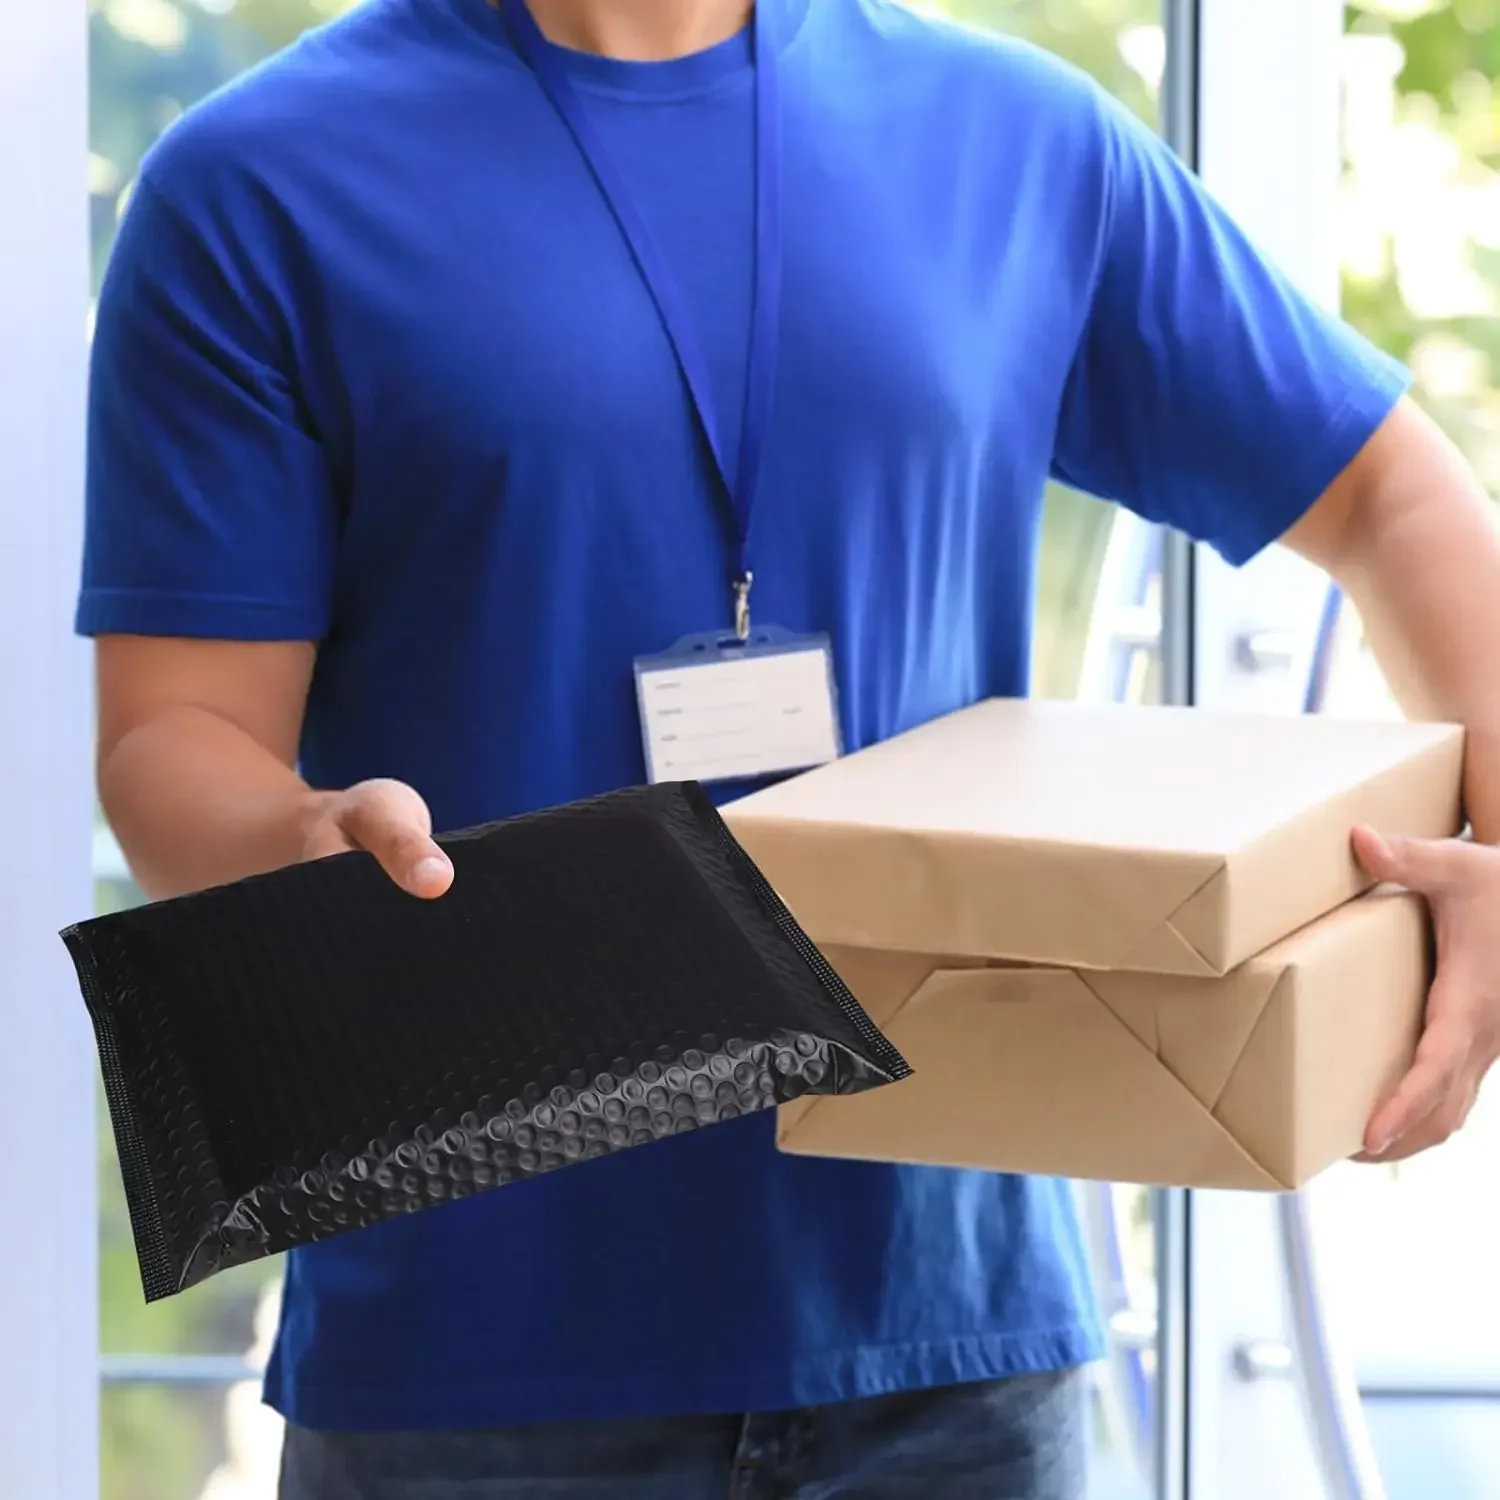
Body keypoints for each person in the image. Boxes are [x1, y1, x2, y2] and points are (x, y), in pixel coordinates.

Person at [82, 0, 1500, 1495]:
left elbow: (1398, 500)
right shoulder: (256, 182)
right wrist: (301, 846)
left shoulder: (1022, 139)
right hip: (475, 1347)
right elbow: (176, 733)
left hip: (954, 1346)